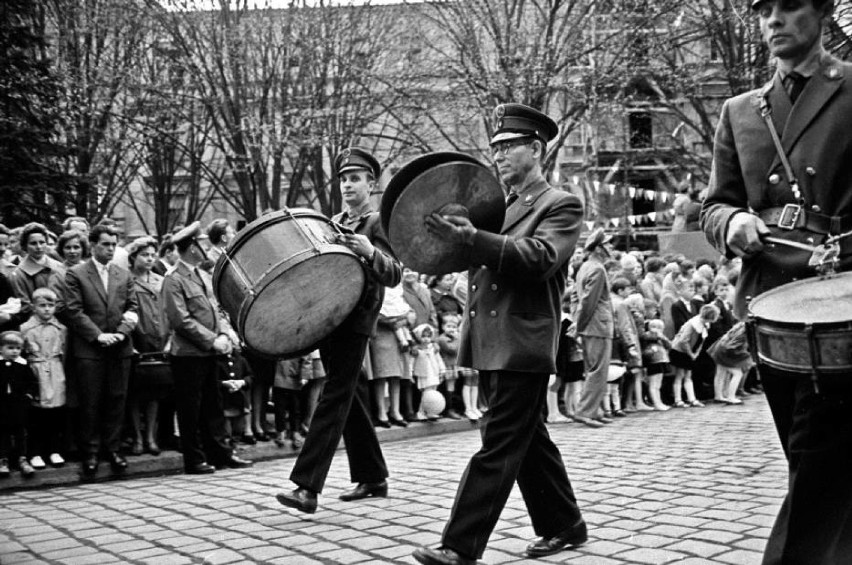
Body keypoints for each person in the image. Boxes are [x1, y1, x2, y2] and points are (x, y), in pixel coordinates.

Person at [700, 1, 852, 562]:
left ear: (822, 13)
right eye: (765, 10)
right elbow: (714, 204)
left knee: (819, 457)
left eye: (790, 7)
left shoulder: (851, 88)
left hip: (840, 303)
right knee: (812, 461)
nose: (774, 20)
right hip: (769, 307)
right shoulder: (741, 110)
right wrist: (732, 221)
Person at [413, 103, 587, 564]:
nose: (499, 156)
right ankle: (564, 524)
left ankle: (459, 546)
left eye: (509, 146)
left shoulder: (560, 204)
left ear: (536, 148)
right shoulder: (499, 208)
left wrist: (472, 238)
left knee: (499, 445)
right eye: (495, 148)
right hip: (492, 342)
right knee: (528, 440)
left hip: (522, 343)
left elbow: (538, 257)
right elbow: (479, 256)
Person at [275, 147, 401, 514]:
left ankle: (306, 486)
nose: (347, 185)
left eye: (355, 179)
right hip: (329, 317)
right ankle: (372, 476)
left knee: (334, 394)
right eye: (344, 179)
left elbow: (394, 274)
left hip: (357, 320)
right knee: (351, 395)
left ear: (371, 184)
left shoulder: (378, 222)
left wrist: (368, 251)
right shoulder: (330, 221)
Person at [160, 222, 252, 474]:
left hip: (210, 351)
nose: (205, 246)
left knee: (214, 405)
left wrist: (224, 333)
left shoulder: (201, 275)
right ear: (191, 248)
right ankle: (194, 458)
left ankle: (221, 453)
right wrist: (212, 339)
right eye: (200, 242)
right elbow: (180, 320)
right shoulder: (174, 279)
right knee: (191, 408)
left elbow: (216, 309)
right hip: (188, 355)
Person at [62, 224, 138, 477]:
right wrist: (98, 336)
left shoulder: (123, 274)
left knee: (117, 399)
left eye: (113, 244)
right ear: (93, 244)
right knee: (91, 402)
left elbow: (132, 307)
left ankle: (113, 449)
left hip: (119, 347)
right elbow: (74, 310)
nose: (110, 249)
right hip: (90, 349)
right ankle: (91, 452)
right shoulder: (76, 274)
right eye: (105, 244)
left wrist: (121, 332)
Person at [126, 236, 169, 456]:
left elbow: (168, 311)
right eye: (144, 254)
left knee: (155, 391)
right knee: (135, 391)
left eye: (153, 255)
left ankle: (152, 437)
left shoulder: (160, 280)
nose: (149, 258)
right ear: (133, 257)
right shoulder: (127, 280)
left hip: (158, 339)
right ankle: (137, 437)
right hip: (137, 339)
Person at [573, 228, 615, 429]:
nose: (611, 247)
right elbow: (589, 301)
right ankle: (586, 411)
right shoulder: (597, 269)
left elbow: (577, 298)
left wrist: (577, 323)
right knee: (598, 370)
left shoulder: (585, 267)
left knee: (593, 369)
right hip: (598, 325)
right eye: (607, 244)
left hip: (591, 325)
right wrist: (577, 326)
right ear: (598, 248)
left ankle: (595, 410)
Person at [20, 288, 68, 469]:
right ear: (33, 307)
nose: (47, 309)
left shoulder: (61, 328)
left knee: (55, 413)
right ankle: (35, 452)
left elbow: (65, 353)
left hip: (56, 372)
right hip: (36, 372)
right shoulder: (25, 328)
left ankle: (54, 450)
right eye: (42, 305)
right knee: (36, 414)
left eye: (51, 305)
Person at [0, 331, 39, 478]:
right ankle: (3, 460)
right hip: (2, 405)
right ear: (1, 349)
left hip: (19, 404)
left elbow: (32, 382)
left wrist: (28, 395)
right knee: (3, 432)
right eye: (10, 348)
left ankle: (22, 459)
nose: (15, 351)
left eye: (18, 348)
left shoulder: (22, 365)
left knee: (20, 432)